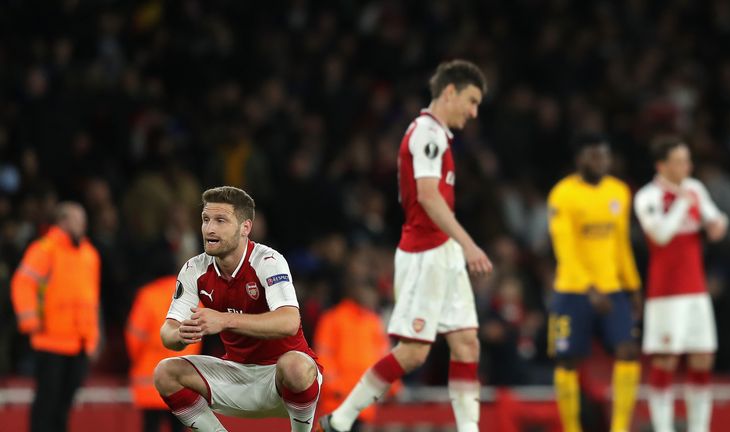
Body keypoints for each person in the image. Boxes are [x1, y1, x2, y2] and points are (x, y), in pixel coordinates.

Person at [319, 59, 493, 432]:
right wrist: (470, 245)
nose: (474, 112)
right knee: (413, 352)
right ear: (450, 92)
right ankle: (343, 417)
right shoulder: (426, 134)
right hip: (424, 254)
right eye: (472, 101)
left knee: (467, 343)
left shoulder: (440, 136)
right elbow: (429, 198)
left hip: (443, 251)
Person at [153, 186, 322, 432]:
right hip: (236, 375)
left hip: (282, 378)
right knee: (164, 373)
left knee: (295, 365)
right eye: (205, 219)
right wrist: (179, 335)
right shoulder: (194, 269)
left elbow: (289, 322)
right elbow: (168, 331)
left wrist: (224, 320)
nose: (209, 229)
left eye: (221, 220)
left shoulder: (268, 261)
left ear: (245, 228)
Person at [546, 133, 642, 432]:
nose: (601, 161)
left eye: (604, 155)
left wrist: (633, 285)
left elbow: (621, 243)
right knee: (567, 362)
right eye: (594, 156)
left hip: (612, 289)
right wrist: (589, 288)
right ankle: (572, 428)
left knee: (627, 351)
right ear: (580, 159)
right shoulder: (562, 194)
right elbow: (565, 249)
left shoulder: (619, 192)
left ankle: (620, 428)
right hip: (572, 290)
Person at [634, 137, 727, 432]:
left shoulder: (696, 188)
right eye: (680, 161)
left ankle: (699, 428)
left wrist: (717, 224)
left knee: (702, 357)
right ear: (662, 165)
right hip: (665, 293)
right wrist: (681, 206)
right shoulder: (647, 197)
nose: (687, 166)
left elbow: (715, 221)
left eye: (687, 160)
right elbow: (659, 236)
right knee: (666, 360)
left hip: (696, 290)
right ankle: (664, 428)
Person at [11, 201, 101, 432]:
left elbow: (92, 300)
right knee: (46, 404)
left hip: (79, 343)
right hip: (51, 340)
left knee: (64, 407)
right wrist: (29, 321)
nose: (83, 224)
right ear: (62, 220)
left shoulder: (89, 254)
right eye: (77, 219)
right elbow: (22, 283)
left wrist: (93, 338)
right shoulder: (44, 249)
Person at [126, 273, 201, 432]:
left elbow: (134, 338)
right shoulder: (194, 298)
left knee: (150, 426)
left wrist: (139, 361)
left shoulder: (148, 295)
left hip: (150, 380)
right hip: (182, 381)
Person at [314, 282, 392, 431]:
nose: (373, 297)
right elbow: (323, 355)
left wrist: (391, 386)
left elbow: (383, 356)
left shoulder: (373, 321)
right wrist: (334, 386)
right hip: (337, 401)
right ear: (354, 291)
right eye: (369, 291)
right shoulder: (333, 318)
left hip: (364, 401)